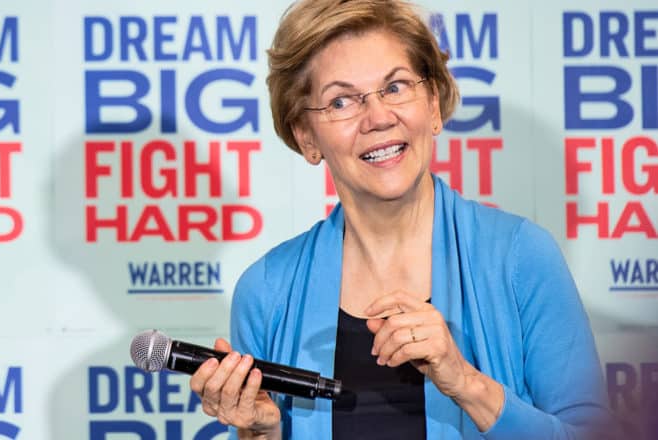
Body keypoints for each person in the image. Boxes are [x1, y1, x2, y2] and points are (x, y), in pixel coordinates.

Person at [189, 0, 614, 438]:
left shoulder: (521, 257)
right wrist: (261, 434)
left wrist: (466, 383)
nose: (378, 118)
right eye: (340, 101)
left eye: (394, 87)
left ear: (432, 103)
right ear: (306, 136)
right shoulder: (267, 290)